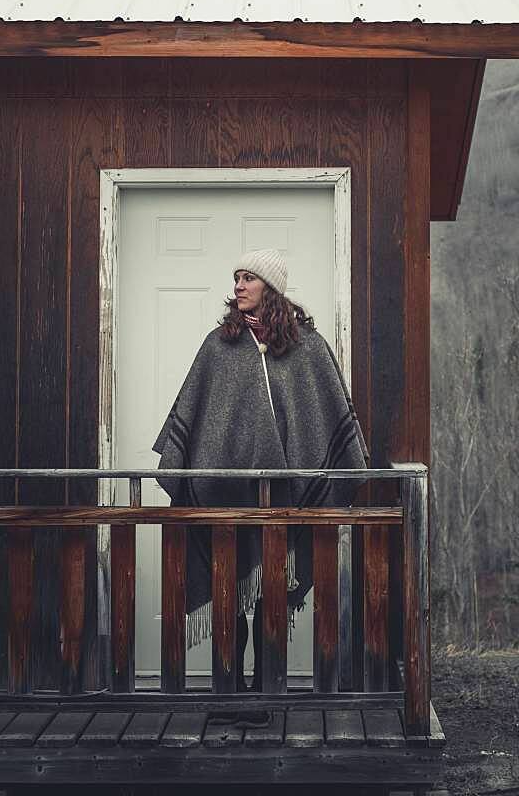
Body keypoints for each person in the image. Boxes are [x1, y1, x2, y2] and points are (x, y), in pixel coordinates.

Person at [153, 247, 369, 697]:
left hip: (284, 502)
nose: (238, 286)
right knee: (228, 596)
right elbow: (198, 415)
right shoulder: (220, 346)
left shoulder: (308, 348)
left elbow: (326, 416)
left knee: (271, 597)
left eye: (248, 278)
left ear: (270, 288)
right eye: (236, 278)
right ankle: (228, 693)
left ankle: (267, 691)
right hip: (224, 500)